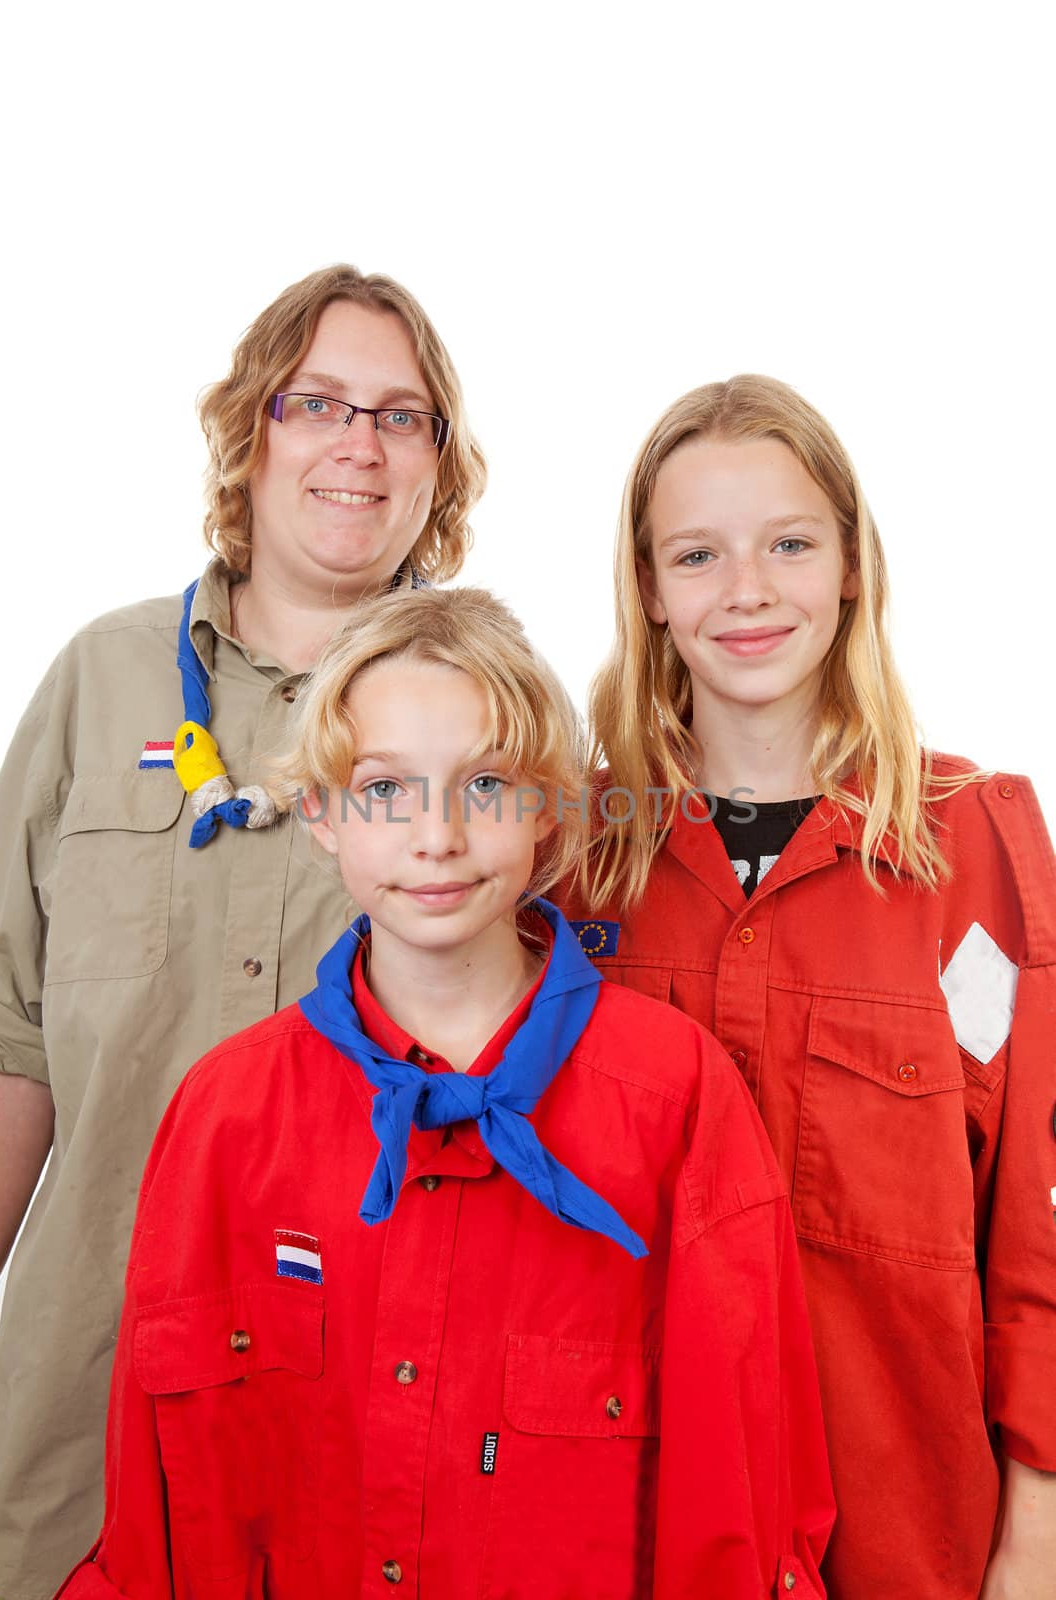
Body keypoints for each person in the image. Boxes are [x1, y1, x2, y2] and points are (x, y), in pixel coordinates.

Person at [54, 586, 833, 1599]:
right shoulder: (223, 1114)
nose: (437, 836)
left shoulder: (675, 1100)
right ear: (323, 814)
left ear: (550, 809)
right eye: (384, 790)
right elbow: (150, 1520)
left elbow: (737, 1518)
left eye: (486, 785)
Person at [0, 264, 486, 1600]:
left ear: (440, 465)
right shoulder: (101, 681)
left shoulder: (493, 724)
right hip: (72, 1406)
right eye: (314, 401)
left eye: (401, 416)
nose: (356, 443)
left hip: (352, 1410)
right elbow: (8, 1047)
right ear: (247, 434)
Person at [558, 375, 1056, 1600]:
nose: (745, 590)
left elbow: (1038, 1223)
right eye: (696, 553)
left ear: (846, 564)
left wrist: (1035, 1534)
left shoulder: (974, 849)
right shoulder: (573, 864)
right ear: (649, 590)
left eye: (787, 542)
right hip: (624, 1527)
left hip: (905, 1537)